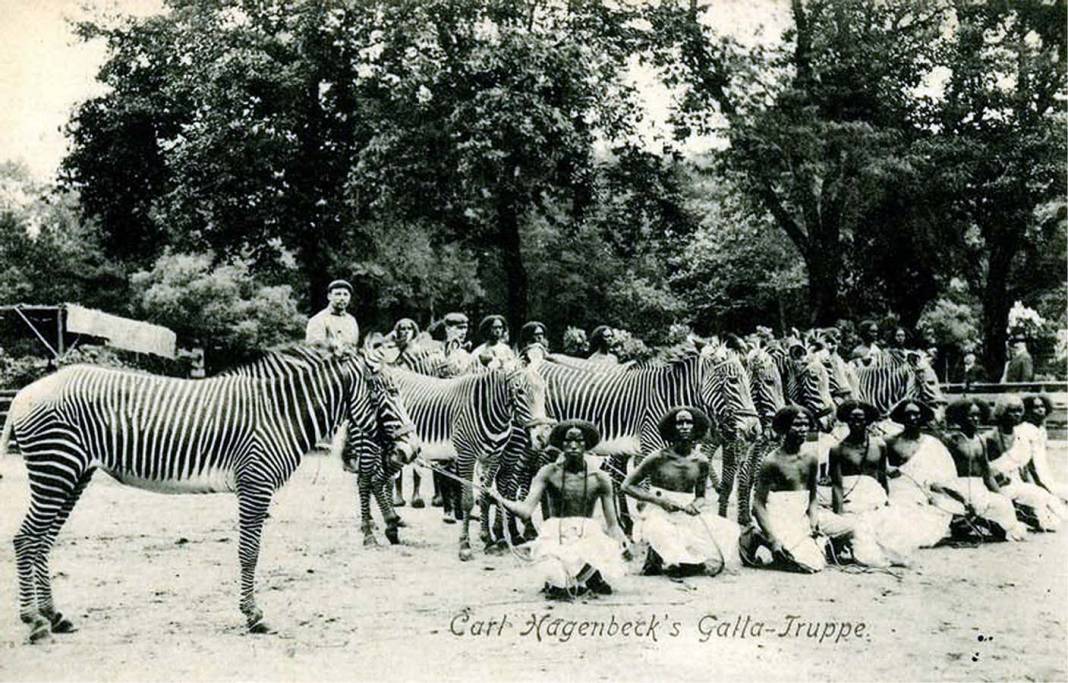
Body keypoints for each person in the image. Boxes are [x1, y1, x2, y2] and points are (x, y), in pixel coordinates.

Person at [497, 420, 629, 599]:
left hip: (587, 534)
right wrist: (500, 498)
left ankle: (590, 575)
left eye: (579, 441)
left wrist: (620, 540)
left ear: (587, 444)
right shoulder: (548, 472)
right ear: (561, 444)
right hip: (555, 534)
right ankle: (566, 578)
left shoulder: (601, 478)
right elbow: (526, 511)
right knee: (557, 581)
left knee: (602, 552)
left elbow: (612, 524)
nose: (573, 446)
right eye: (568, 441)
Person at [621, 407, 742, 578]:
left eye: (688, 422)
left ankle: (684, 561)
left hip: (686, 514)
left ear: (695, 428)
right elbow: (626, 486)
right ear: (672, 428)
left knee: (727, 530)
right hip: (658, 511)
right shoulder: (658, 457)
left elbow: (701, 497)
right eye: (680, 422)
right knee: (660, 530)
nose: (684, 426)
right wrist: (659, 502)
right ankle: (675, 560)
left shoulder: (701, 461)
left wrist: (695, 505)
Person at [740, 406, 859, 573]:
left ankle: (817, 543)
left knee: (850, 528)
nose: (803, 429)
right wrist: (773, 539)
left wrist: (814, 520)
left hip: (803, 513)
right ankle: (760, 536)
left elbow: (811, 497)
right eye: (797, 425)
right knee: (806, 562)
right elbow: (758, 505)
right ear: (784, 428)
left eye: (805, 424)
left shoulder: (810, 458)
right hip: (780, 515)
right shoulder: (771, 461)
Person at [941, 398, 1028, 541]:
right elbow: (946, 472)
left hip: (979, 487)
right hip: (960, 486)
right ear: (961, 418)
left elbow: (987, 473)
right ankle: (971, 524)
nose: (975, 419)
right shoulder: (953, 441)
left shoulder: (981, 440)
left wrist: (1001, 495)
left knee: (1003, 505)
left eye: (978, 415)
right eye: (971, 416)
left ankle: (986, 525)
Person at [882, 399, 964, 549]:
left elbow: (945, 474)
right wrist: (887, 468)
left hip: (927, 490)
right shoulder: (889, 441)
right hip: (899, 489)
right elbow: (876, 464)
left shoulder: (932, 443)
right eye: (908, 414)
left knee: (937, 510)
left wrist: (935, 489)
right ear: (901, 416)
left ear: (922, 417)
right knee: (897, 512)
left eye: (916, 414)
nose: (912, 418)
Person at [985, 396, 1064, 531]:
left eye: (1018, 411)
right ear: (1002, 412)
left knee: (1049, 509)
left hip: (1017, 482)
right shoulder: (991, 438)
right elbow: (987, 469)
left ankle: (1026, 514)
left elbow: (1025, 467)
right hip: (998, 484)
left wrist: (1035, 488)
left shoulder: (1021, 436)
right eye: (1011, 411)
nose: (1016, 415)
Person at [388, 318, 425, 509]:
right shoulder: (393, 352)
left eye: (409, 328)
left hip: (417, 402)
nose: (405, 331)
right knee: (398, 446)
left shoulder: (419, 351)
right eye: (401, 328)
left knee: (417, 448)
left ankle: (417, 492)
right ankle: (398, 492)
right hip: (399, 403)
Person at [1018, 394, 1068, 502]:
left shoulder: (1041, 430)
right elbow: (1027, 464)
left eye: (1042, 406)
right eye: (1036, 407)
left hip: (1046, 476)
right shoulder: (1023, 430)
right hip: (1034, 479)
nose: (1041, 410)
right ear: (1027, 411)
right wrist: (1039, 485)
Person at [304, 279, 360, 350]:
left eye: (345, 294)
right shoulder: (318, 320)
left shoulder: (352, 321)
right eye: (338, 294)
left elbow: (354, 345)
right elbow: (314, 348)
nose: (342, 298)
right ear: (329, 296)